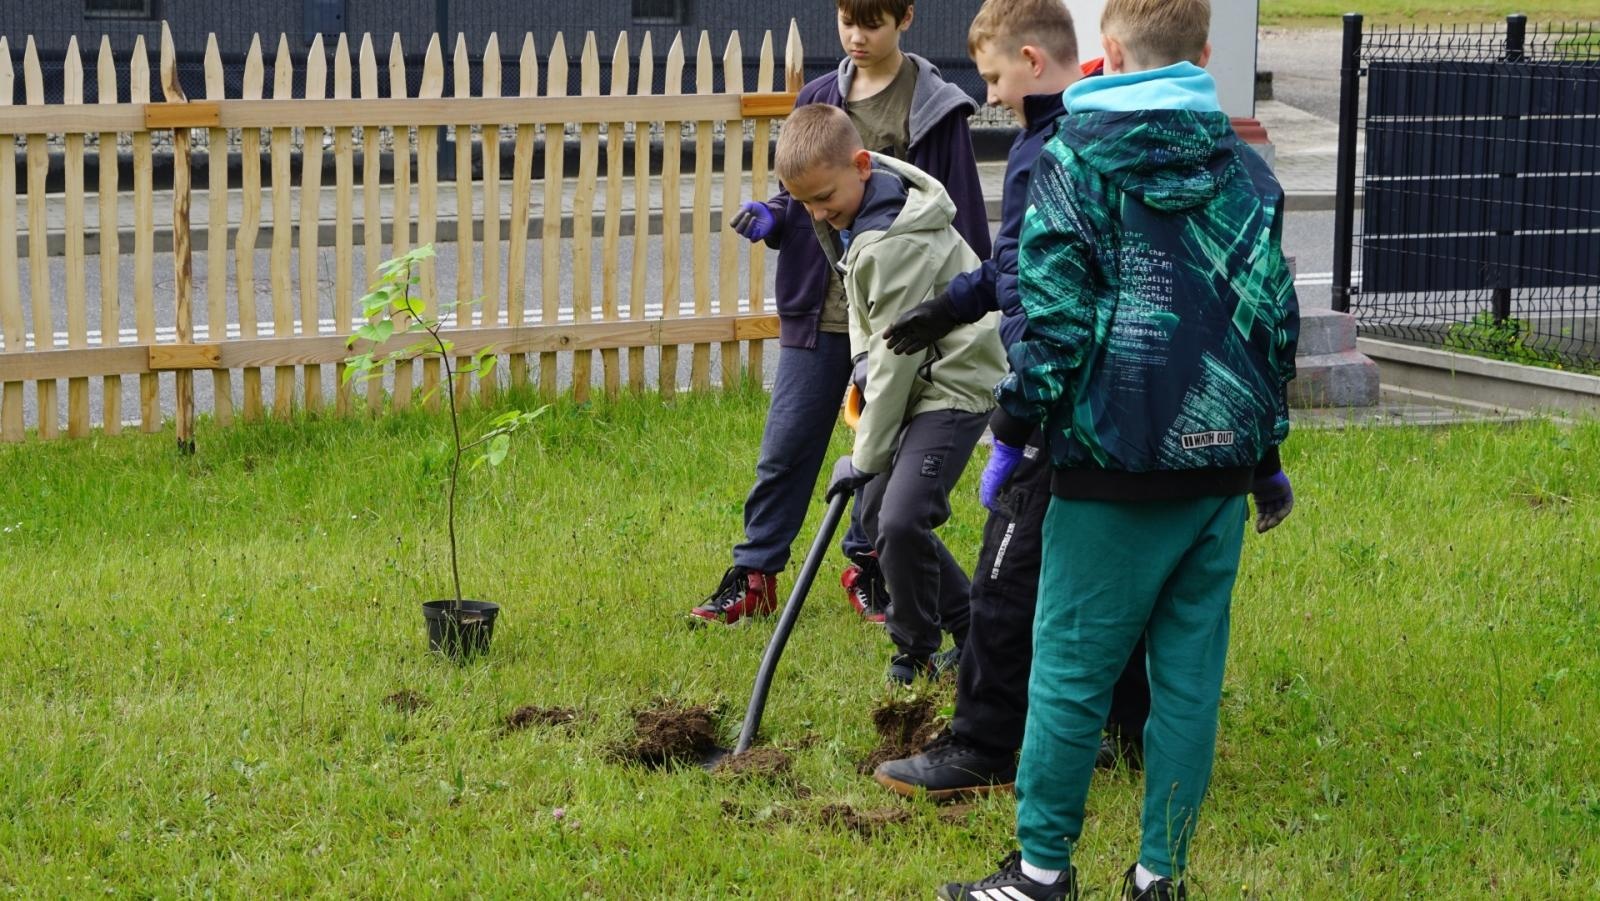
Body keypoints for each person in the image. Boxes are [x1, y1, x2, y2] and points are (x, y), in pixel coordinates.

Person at [938, 0, 1299, 898]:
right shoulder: (1248, 175)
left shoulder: (1073, 164)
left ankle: (1040, 872)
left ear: (1108, 52)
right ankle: (1157, 878)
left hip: (1110, 469)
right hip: (1218, 471)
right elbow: (1268, 324)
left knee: (1068, 673)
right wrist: (1264, 455)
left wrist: (1012, 436)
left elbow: (1053, 334)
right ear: (1205, 54)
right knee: (1186, 685)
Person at [872, 0, 1154, 805]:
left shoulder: (1051, 147)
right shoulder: (1106, 131)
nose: (989, 95)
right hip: (1116, 401)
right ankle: (1132, 731)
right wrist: (948, 307)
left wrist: (1018, 419)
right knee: (1112, 575)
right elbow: (1014, 268)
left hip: (1057, 396)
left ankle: (985, 744)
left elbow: (1035, 281)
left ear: (1033, 59)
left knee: (1002, 580)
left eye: (993, 76)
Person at [689, 0, 990, 627]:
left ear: (905, 19)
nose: (857, 37)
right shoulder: (820, 97)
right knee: (787, 446)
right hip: (818, 310)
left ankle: (870, 566)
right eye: (847, 22)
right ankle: (756, 571)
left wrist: (968, 305)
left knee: (880, 444)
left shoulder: (933, 105)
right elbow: (805, 185)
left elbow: (959, 213)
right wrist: (778, 217)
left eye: (872, 24)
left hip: (902, 318)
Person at [774, 103, 1005, 683]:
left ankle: (915, 648)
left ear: (859, 165)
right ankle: (973, 626)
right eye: (805, 204)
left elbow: (898, 362)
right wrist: (857, 359)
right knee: (880, 514)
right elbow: (863, 305)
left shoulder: (895, 243)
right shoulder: (860, 203)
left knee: (899, 517)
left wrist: (862, 457)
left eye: (824, 199)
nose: (818, 214)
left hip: (953, 383)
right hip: (913, 375)